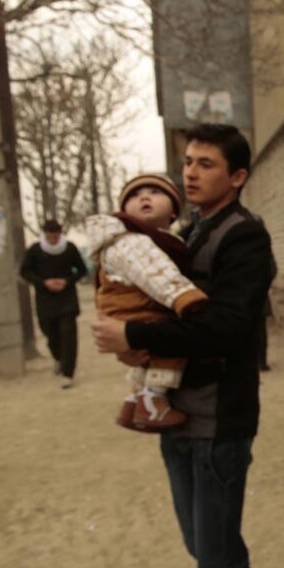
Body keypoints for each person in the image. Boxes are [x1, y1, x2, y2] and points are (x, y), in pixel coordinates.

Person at [91, 124, 274, 568]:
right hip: (177, 417)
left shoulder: (244, 237)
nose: (191, 173)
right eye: (187, 162)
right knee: (203, 549)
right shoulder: (187, 232)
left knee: (220, 554)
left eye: (207, 164)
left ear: (238, 176)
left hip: (220, 420)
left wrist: (135, 334)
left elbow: (226, 327)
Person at [83, 173, 207, 431]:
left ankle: (132, 404)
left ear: (174, 212)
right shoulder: (134, 241)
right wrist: (185, 297)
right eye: (135, 196)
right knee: (170, 346)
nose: (145, 198)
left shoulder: (150, 239)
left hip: (127, 312)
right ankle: (153, 404)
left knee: (147, 357)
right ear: (123, 210)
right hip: (139, 311)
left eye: (156, 192)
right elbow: (156, 275)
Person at [20, 218, 88, 388]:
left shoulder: (70, 248)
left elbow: (82, 270)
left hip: (67, 299)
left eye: (56, 236)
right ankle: (59, 358)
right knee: (51, 336)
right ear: (45, 235)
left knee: (68, 335)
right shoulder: (35, 250)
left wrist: (67, 280)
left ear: (60, 234)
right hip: (45, 300)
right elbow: (25, 271)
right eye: (50, 237)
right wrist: (43, 282)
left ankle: (68, 373)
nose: (53, 240)